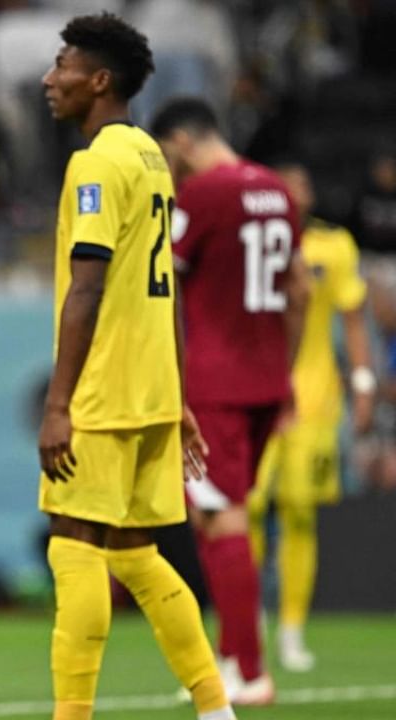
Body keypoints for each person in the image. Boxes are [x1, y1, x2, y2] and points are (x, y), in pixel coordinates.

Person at [37, 16, 236, 720]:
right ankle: (216, 706)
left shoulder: (95, 162)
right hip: (151, 391)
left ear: (97, 80)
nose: (47, 78)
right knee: (137, 552)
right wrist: (177, 394)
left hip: (105, 390)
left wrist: (58, 404)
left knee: (74, 544)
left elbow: (87, 286)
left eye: (61, 65)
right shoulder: (151, 155)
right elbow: (170, 285)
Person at [151, 97, 310, 705]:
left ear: (184, 141)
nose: (170, 170)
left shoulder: (205, 195)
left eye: (169, 156)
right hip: (269, 379)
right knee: (228, 512)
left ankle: (247, 667)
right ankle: (228, 655)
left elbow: (163, 279)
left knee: (222, 519)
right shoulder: (278, 190)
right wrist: (286, 371)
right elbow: (299, 290)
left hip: (215, 382)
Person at [248, 159, 375, 673]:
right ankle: (247, 625)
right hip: (254, 393)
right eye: (287, 184)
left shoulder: (333, 245)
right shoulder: (250, 238)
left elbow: (354, 318)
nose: (297, 193)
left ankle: (293, 630)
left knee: (300, 512)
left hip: (316, 400)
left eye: (303, 185)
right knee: (249, 510)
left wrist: (363, 384)